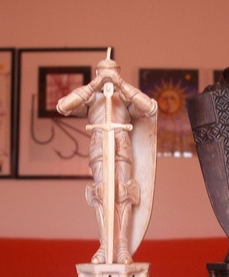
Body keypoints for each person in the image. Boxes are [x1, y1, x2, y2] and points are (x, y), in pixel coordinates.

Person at [57, 55, 157, 264]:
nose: (108, 77)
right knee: (102, 194)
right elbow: (63, 106)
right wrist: (94, 85)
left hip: (121, 147)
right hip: (99, 148)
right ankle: (104, 246)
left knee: (122, 192)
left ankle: (122, 246)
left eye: (112, 72)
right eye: (103, 73)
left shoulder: (125, 98)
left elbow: (149, 107)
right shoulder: (92, 98)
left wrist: (121, 84)